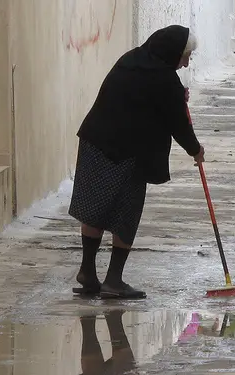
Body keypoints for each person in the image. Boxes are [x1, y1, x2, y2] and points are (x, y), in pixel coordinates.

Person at [68, 25, 205, 300]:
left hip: (94, 141)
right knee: (126, 212)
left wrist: (177, 96)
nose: (186, 62)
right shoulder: (166, 81)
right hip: (127, 153)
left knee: (94, 207)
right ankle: (114, 280)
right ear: (172, 52)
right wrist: (196, 150)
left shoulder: (130, 59)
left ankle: (87, 272)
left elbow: (146, 99)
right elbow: (178, 124)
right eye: (184, 56)